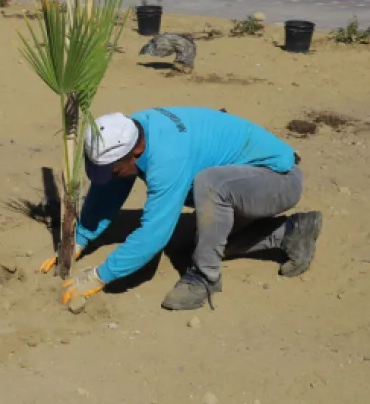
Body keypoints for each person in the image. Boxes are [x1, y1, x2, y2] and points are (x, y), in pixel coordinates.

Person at [49, 107, 322, 311]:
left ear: (136, 151)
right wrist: (79, 239)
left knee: (208, 187)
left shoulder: (166, 156)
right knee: (195, 241)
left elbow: (153, 235)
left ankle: (204, 278)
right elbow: (109, 190)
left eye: (113, 170)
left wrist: (99, 276)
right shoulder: (133, 131)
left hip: (276, 181)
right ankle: (290, 233)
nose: (110, 176)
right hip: (242, 181)